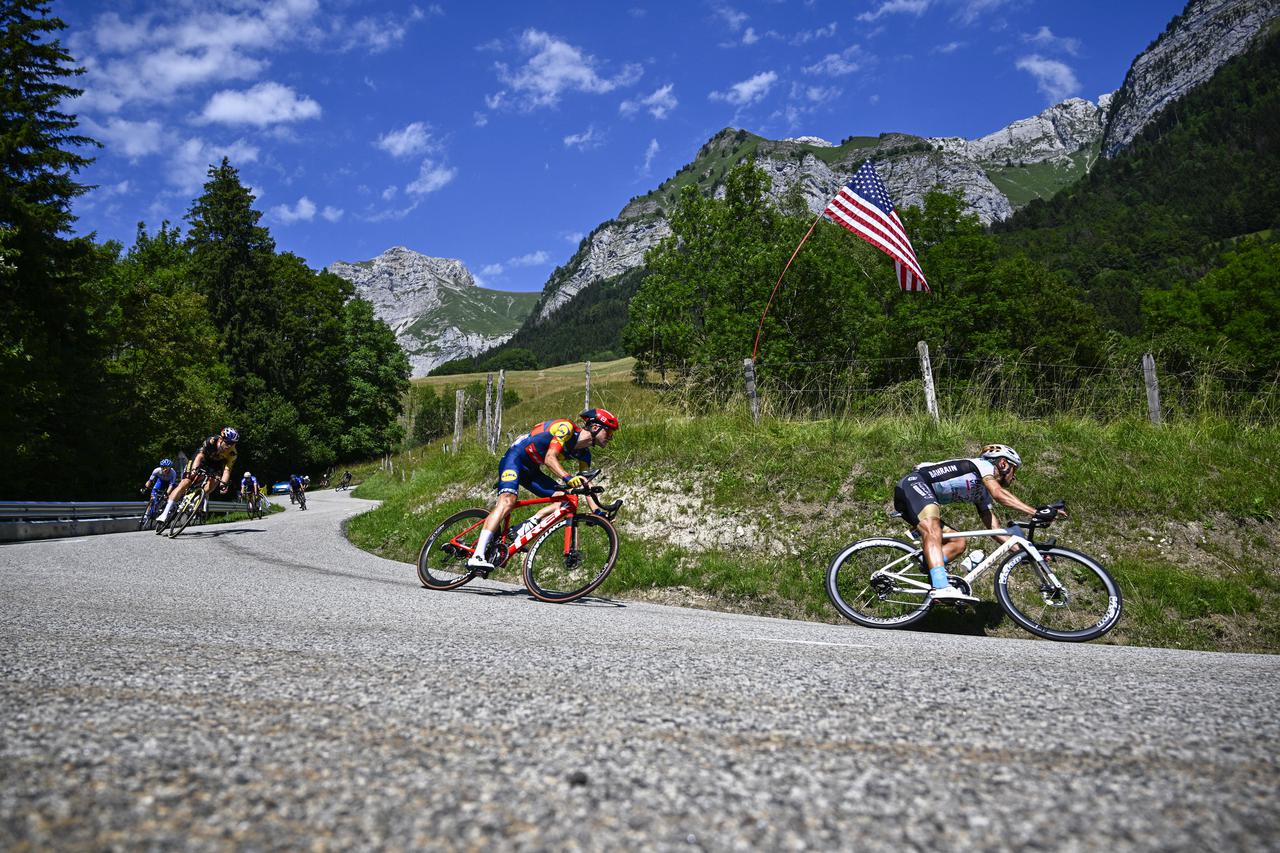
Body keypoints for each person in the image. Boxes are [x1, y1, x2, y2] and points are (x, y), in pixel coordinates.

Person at [892, 443, 1065, 603]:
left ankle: (929, 563)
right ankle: (940, 586)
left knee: (958, 543)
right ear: (1003, 464)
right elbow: (999, 494)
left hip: (917, 496)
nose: (1015, 477)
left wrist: (1024, 553)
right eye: (1014, 470)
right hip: (914, 485)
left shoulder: (982, 492)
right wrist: (1035, 512)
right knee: (932, 527)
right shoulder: (982, 465)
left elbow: (995, 530)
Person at [467, 407, 619, 572]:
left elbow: (584, 484)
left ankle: (530, 522)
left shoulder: (584, 454)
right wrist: (568, 478)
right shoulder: (566, 428)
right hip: (515, 459)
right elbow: (549, 458)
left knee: (567, 500)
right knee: (507, 501)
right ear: (596, 427)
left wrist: (597, 511)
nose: (611, 438)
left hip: (532, 471)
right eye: (609, 433)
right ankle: (478, 555)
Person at [155, 428, 239, 526]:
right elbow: (199, 456)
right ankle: (164, 513)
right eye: (228, 443)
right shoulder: (212, 441)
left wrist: (223, 484)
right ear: (221, 439)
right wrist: (194, 470)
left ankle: (198, 498)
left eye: (233, 443)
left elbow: (227, 470)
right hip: (201, 458)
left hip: (215, 465)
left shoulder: (233, 453)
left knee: (216, 481)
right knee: (185, 482)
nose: (230, 446)